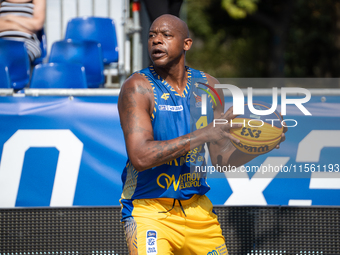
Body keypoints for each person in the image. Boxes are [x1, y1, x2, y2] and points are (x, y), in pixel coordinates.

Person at [118, 14, 286, 255]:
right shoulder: (137, 86)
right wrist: (205, 133)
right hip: (149, 211)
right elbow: (141, 157)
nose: (156, 41)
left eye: (166, 35)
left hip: (198, 213)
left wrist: (263, 146)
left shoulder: (210, 86)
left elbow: (221, 160)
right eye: (152, 35)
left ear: (187, 44)